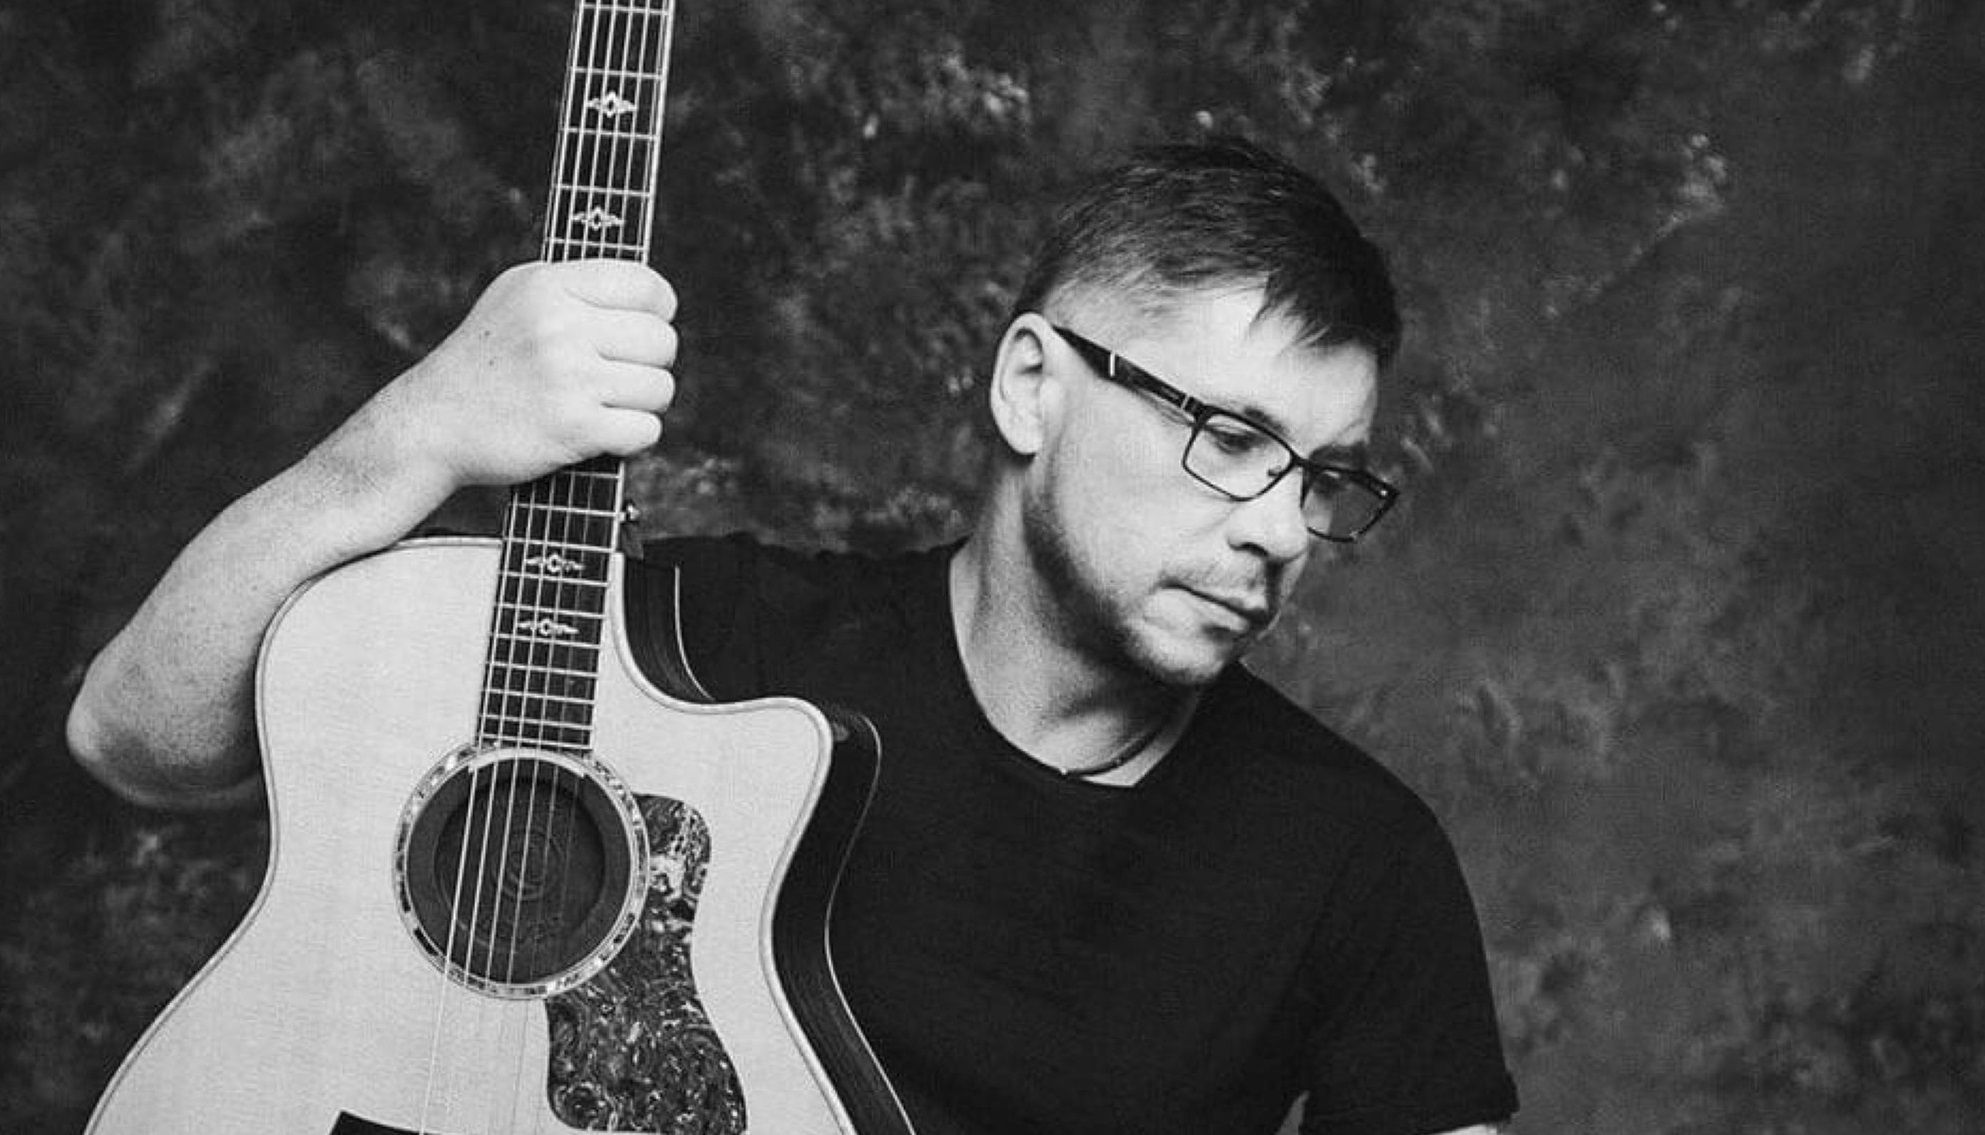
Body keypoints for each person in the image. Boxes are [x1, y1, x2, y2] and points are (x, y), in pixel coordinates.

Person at [68, 138, 1518, 1133]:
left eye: (1324, 476)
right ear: (1032, 386)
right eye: (1230, 438)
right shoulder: (702, 655)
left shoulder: (1356, 865)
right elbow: (135, 738)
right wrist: (418, 432)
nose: (1278, 526)